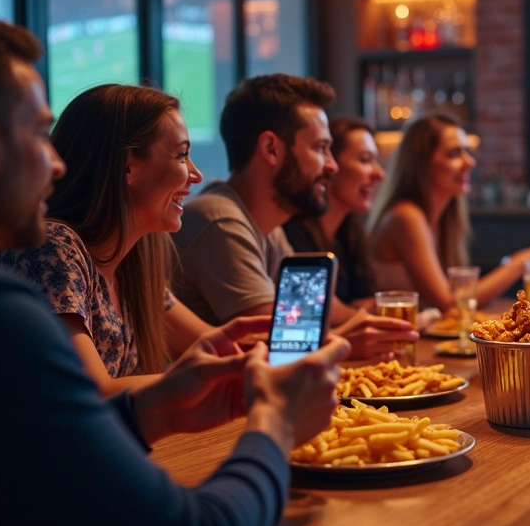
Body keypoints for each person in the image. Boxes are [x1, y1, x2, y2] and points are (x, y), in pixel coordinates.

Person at [0, 4, 348, 526]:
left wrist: (162, 404)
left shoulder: (133, 261)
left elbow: (50, 452)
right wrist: (276, 425)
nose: (56, 165)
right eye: (37, 133)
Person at [0, 85, 222, 395]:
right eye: (182, 155)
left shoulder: (135, 261)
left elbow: (214, 347)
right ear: (128, 166)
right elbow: (93, 391)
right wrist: (222, 373)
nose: (196, 175)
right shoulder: (52, 248)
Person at [170, 75, 416, 360]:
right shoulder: (220, 221)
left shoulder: (267, 227)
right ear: (271, 149)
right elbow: (281, 343)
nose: (331, 166)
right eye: (321, 148)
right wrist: (346, 341)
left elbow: (307, 319)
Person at [368, 112, 530, 310]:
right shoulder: (406, 216)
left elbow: (461, 300)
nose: (469, 162)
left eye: (467, 151)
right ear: (421, 164)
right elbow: (451, 304)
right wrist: (518, 264)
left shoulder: (443, 218)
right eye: (454, 154)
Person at [283, 116, 383, 310]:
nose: (379, 173)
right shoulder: (292, 230)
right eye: (365, 160)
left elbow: (360, 301)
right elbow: (312, 306)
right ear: (329, 163)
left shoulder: (349, 233)